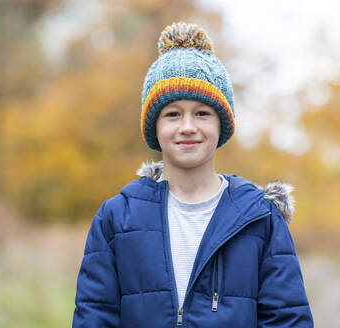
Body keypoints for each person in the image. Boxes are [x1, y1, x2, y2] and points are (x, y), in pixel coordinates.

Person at [73, 21, 314, 327]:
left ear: (220, 125)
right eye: (173, 114)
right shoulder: (117, 218)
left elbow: (288, 320)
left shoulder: (260, 217)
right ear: (155, 127)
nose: (187, 127)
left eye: (202, 113)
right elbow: (94, 318)